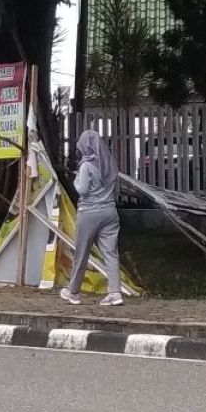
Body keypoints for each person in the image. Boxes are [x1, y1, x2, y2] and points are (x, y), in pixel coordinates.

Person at [61, 130, 124, 306]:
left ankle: (73, 292)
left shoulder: (86, 166)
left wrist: (75, 180)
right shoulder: (110, 163)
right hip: (110, 212)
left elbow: (83, 190)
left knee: (81, 253)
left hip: (89, 213)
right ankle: (115, 292)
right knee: (111, 253)